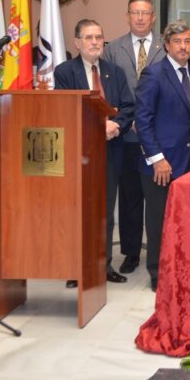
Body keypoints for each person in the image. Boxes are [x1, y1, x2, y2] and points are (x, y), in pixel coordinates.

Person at [53, 19, 135, 285]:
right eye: (88, 37)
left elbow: (127, 107)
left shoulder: (115, 72)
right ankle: (78, 268)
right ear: (77, 42)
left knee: (104, 212)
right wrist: (99, 125)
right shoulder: (65, 72)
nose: (95, 42)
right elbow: (66, 108)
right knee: (80, 212)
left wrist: (116, 126)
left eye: (99, 37)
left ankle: (104, 265)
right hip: (80, 153)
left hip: (110, 152)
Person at [136, 20, 190, 291]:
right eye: (178, 41)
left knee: (186, 220)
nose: (183, 46)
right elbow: (143, 120)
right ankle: (158, 274)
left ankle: (183, 267)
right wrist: (157, 158)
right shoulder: (154, 74)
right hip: (162, 165)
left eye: (188, 41)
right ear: (167, 44)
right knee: (159, 220)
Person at [102, 0, 165, 276]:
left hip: (158, 137)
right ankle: (130, 252)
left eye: (145, 13)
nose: (140, 18)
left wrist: (149, 121)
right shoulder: (112, 49)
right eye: (135, 13)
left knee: (157, 199)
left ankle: (159, 253)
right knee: (129, 198)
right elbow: (108, 92)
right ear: (127, 16)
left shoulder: (168, 48)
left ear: (153, 17)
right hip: (126, 136)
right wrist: (126, 120)